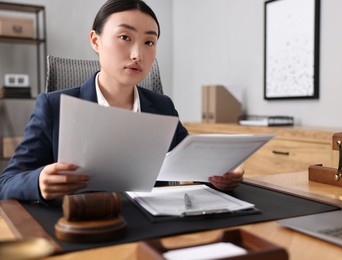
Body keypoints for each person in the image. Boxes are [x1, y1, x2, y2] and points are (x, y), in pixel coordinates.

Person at [0, 0, 244, 204]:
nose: (138, 54)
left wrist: (221, 174)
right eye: (125, 37)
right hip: (83, 226)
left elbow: (190, 165)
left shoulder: (162, 107)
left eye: (149, 42)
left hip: (152, 224)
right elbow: (7, 182)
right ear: (96, 41)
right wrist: (39, 181)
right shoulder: (53, 106)